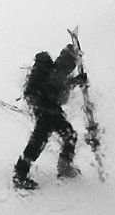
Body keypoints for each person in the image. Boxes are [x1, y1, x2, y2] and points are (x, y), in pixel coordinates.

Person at [13, 44, 87, 190]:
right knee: (39, 140)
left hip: (50, 109)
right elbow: (56, 86)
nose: (72, 67)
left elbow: (60, 93)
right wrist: (76, 81)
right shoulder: (58, 69)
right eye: (72, 63)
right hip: (45, 109)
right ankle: (20, 175)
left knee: (69, 135)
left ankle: (64, 167)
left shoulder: (58, 71)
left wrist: (74, 82)